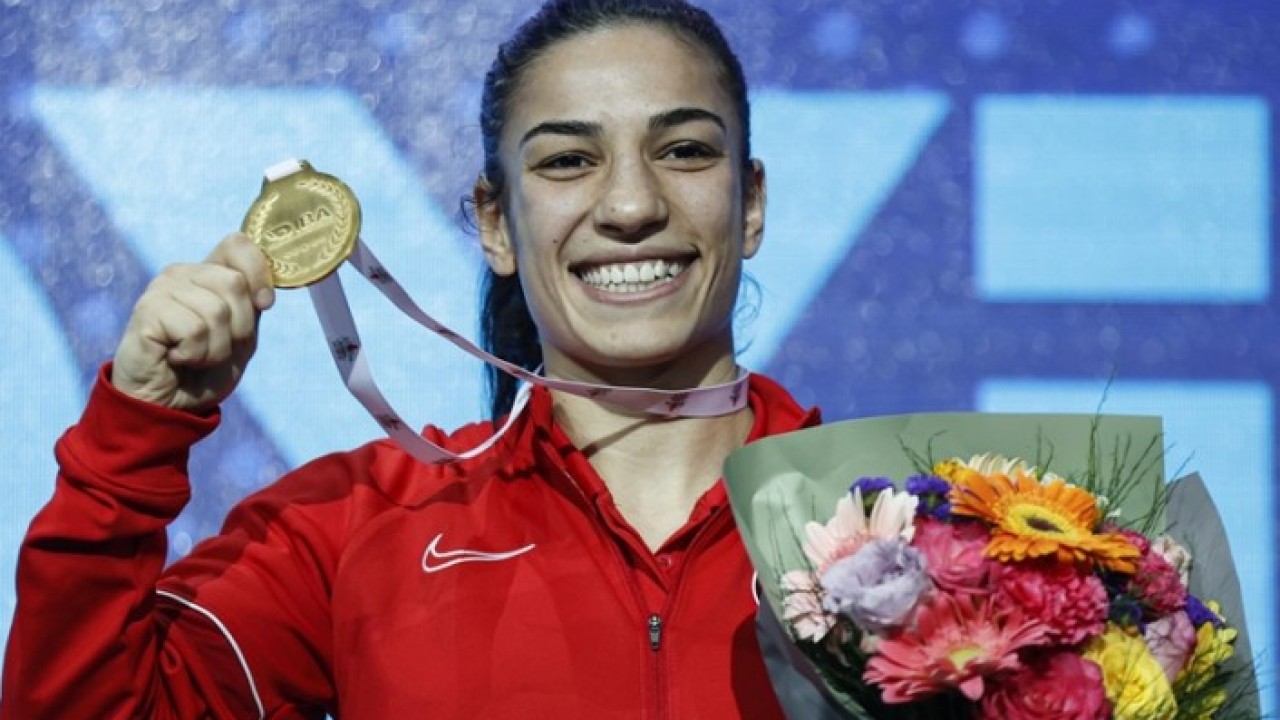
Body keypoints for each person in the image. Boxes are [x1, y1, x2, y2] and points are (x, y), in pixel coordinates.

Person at [0, 0, 820, 717]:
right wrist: (131, 442)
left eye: (684, 151)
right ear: (495, 224)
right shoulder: (358, 527)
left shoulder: (879, 513)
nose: (632, 205)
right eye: (568, 160)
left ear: (750, 203)